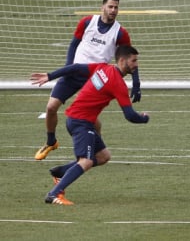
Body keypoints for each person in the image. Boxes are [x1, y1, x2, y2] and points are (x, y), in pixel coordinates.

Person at [30, 45, 149, 205]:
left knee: (103, 156)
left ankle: (60, 172)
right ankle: (53, 194)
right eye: (134, 61)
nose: (136, 64)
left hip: (80, 120)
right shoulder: (118, 83)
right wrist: (144, 118)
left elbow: (76, 67)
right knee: (85, 161)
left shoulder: (102, 68)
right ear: (122, 60)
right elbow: (130, 116)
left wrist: (50, 76)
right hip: (81, 122)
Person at [35, 0, 142, 161]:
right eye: (110, 6)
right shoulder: (86, 22)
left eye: (116, 7)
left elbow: (129, 59)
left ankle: (97, 149)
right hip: (75, 72)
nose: (113, 10)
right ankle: (51, 142)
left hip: (95, 78)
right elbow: (73, 44)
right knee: (50, 107)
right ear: (103, 7)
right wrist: (68, 67)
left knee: (89, 118)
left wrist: (136, 83)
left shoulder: (120, 33)